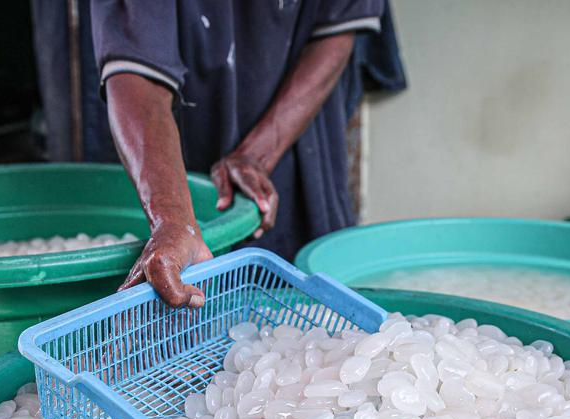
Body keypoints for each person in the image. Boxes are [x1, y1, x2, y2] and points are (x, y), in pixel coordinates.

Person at [86, 0, 404, 307]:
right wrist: (173, 221)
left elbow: (335, 35)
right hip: (175, 154)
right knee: (177, 287)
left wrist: (256, 154)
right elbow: (136, 71)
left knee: (308, 304)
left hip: (297, 132)